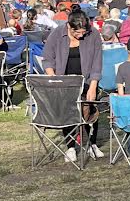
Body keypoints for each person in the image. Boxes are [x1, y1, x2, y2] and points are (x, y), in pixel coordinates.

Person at [42, 10, 103, 162]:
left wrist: (93, 85)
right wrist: (54, 79)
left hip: (87, 79)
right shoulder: (57, 34)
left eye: (84, 32)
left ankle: (92, 144)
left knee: (90, 109)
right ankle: (70, 147)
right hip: (64, 81)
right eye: (78, 33)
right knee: (67, 112)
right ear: (69, 26)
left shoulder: (93, 34)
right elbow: (48, 58)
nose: (82, 35)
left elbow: (97, 61)